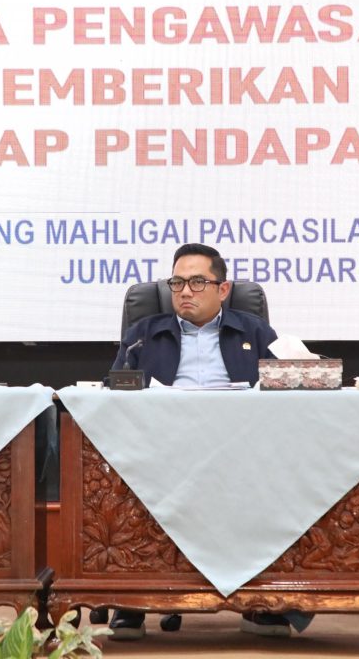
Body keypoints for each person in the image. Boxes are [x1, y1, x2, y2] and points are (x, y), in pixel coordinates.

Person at [107, 243, 288, 640]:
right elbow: (114, 395)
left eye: (197, 282)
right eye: (177, 283)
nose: (184, 291)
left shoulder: (256, 332)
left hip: (243, 449)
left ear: (223, 289)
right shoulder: (143, 335)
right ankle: (131, 599)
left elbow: (286, 390)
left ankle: (262, 602)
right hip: (161, 448)